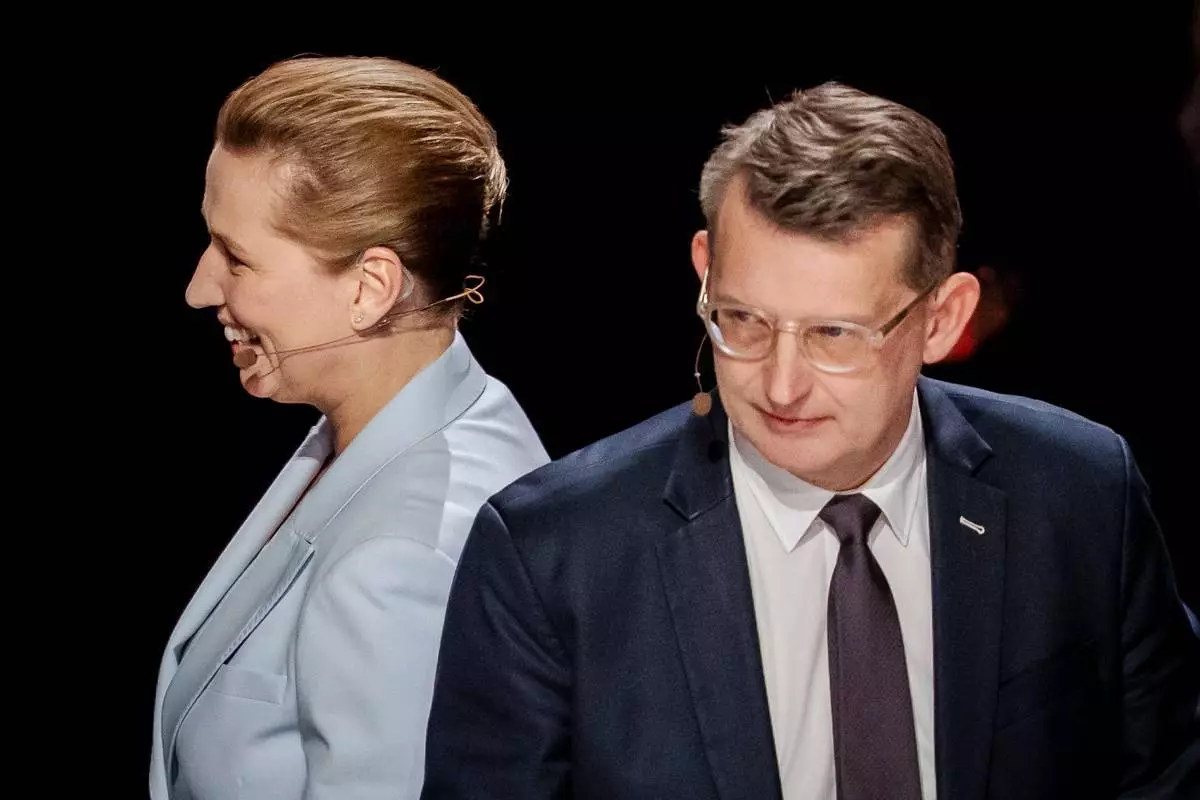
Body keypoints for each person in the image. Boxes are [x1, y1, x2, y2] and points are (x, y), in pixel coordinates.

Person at [421, 83, 1199, 799]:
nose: (781, 384)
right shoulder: (552, 556)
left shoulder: (1078, 495)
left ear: (943, 319)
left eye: (835, 334)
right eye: (744, 319)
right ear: (704, 269)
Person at [149, 56, 548, 800]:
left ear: (370, 288)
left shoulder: (400, 560)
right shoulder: (429, 414)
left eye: (237, 258)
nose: (200, 288)